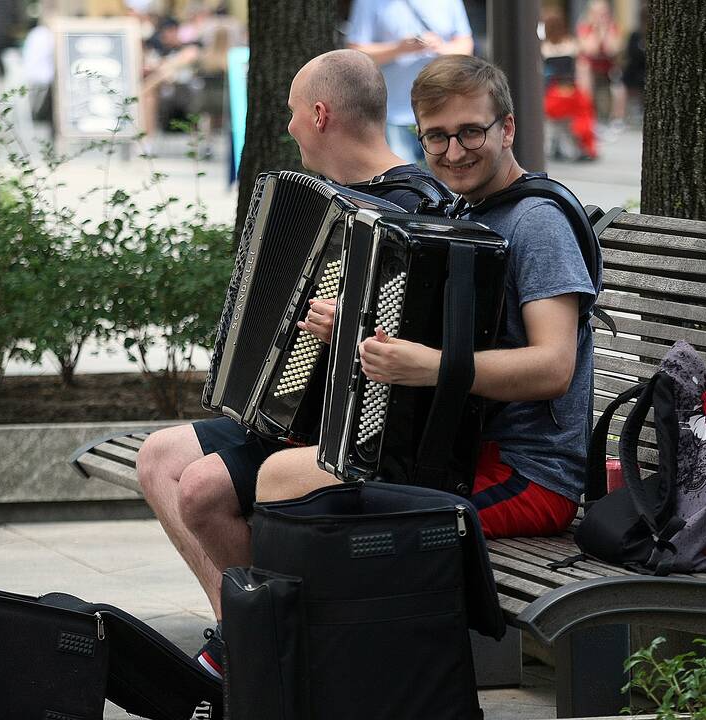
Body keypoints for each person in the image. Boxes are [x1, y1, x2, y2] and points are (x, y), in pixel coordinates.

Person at [135, 48, 446, 680]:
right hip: (298, 416)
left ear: (322, 113)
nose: (288, 128)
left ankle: (262, 646)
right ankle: (248, 633)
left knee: (201, 490)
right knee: (159, 458)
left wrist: (354, 330)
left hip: (362, 428)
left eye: (293, 114)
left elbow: (420, 350)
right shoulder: (320, 199)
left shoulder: (417, 210)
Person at [257, 54, 596, 545]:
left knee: (294, 487)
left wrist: (433, 366)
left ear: (507, 129)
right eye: (437, 136)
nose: (454, 152)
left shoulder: (537, 222)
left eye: (471, 132)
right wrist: (355, 330)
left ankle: (324, 623)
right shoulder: (458, 213)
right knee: (286, 472)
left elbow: (553, 368)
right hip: (453, 450)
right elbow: (440, 333)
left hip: (529, 474)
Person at [345, 0, 474, 164]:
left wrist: (439, 48)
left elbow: (466, 46)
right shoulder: (369, 2)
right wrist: (400, 48)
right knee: (402, 182)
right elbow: (356, 53)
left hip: (443, 113)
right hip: (392, 116)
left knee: (445, 183)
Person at [541, 8, 598, 161]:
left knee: (555, 112)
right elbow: (581, 68)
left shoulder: (542, 48)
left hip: (554, 94)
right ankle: (582, 147)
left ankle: (561, 146)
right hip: (571, 92)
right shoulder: (572, 44)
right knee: (582, 112)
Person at [576, 0, 625, 126]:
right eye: (598, 13)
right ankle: (589, 117)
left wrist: (605, 31)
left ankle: (615, 119)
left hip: (608, 68)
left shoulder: (613, 27)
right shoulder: (584, 27)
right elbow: (590, 50)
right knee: (583, 67)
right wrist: (596, 31)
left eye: (604, 13)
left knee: (619, 86)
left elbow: (612, 50)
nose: (601, 17)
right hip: (590, 68)